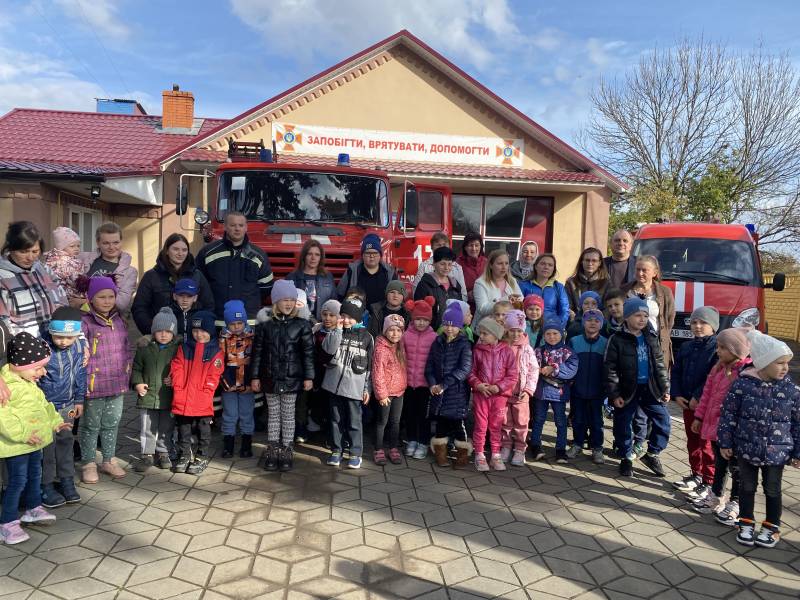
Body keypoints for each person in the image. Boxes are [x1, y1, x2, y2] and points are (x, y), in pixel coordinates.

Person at [718, 331, 799, 549]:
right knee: (747, 487)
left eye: (787, 363)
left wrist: (797, 452)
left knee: (772, 489)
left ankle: (771, 527)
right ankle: (746, 522)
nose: (785, 368)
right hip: (745, 448)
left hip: (777, 452)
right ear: (762, 363)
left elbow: (797, 422)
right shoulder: (742, 385)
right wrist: (725, 443)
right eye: (779, 363)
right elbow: (728, 415)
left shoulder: (790, 390)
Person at [0, 333, 70, 545]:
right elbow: (3, 417)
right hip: (16, 446)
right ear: (19, 365)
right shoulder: (7, 387)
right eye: (38, 367)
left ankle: (33, 508)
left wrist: (55, 422)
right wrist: (22, 434)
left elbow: (44, 406)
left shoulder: (28, 382)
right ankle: (7, 523)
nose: (43, 372)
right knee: (17, 482)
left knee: (34, 476)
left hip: (34, 442)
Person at [689, 328, 751, 524]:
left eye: (722, 347)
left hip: (733, 432)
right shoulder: (717, 369)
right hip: (715, 428)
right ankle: (716, 497)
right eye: (718, 347)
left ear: (736, 349)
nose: (718, 351)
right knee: (720, 465)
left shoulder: (745, 373)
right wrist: (699, 417)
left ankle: (736, 502)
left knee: (737, 469)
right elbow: (706, 395)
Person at [251, 280, 314, 472]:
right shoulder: (265, 326)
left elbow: (308, 354)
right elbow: (257, 353)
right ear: (275, 301)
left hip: (292, 379)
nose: (288, 304)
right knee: (273, 415)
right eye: (284, 299)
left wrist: (308, 377)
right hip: (270, 378)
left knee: (288, 416)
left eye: (291, 300)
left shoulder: (302, 325)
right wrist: (254, 377)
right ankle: (272, 449)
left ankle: (287, 449)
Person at [605, 298, 671, 478]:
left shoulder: (650, 337)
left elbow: (659, 364)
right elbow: (610, 368)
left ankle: (653, 453)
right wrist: (615, 394)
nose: (642, 319)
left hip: (650, 389)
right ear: (626, 317)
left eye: (645, 315)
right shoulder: (617, 339)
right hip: (627, 390)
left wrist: (665, 388)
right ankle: (626, 456)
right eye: (637, 315)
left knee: (663, 420)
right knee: (623, 424)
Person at [79, 276, 132, 484]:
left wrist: (127, 368)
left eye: (111, 296)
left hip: (117, 382)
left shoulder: (119, 320)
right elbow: (80, 353)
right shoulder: (85, 322)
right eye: (102, 297)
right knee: (91, 425)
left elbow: (126, 347)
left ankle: (108, 460)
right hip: (95, 383)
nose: (107, 301)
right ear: (91, 298)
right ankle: (89, 462)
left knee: (112, 423)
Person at [37, 307, 86, 508]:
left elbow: (81, 374)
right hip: (46, 407)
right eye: (58, 337)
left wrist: (79, 399)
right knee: (46, 448)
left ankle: (66, 480)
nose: (63, 342)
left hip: (68, 406)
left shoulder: (79, 348)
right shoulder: (43, 349)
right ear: (51, 332)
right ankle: (45, 485)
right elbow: (36, 379)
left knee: (66, 444)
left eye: (69, 338)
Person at [670, 307, 720, 500]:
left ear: (713, 326)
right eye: (694, 322)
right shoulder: (686, 347)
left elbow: (712, 376)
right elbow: (676, 371)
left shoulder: (717, 348)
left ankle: (709, 480)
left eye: (703, 323)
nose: (698, 326)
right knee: (692, 440)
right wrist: (677, 394)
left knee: (706, 443)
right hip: (687, 404)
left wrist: (698, 397)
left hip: (705, 406)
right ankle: (696, 474)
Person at [322, 297, 374, 469]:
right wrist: (336, 331)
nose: (346, 320)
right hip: (333, 386)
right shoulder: (336, 332)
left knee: (354, 421)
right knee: (335, 420)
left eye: (351, 317)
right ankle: (336, 450)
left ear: (359, 319)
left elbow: (369, 367)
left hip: (354, 388)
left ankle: (355, 452)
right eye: (343, 316)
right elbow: (328, 349)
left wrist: (367, 388)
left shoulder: (367, 338)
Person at [171, 310, 224, 475]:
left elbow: (215, 374)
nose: (199, 334)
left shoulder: (215, 352)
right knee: (183, 428)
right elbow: (177, 366)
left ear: (210, 331)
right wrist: (178, 386)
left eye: (203, 331)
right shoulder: (185, 348)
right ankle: (185, 453)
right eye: (195, 331)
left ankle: (202, 455)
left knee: (203, 428)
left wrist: (207, 389)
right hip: (184, 395)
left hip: (202, 396)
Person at [196, 211, 274, 324]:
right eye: (233, 225)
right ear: (225, 227)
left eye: (241, 225)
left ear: (246, 227)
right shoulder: (208, 253)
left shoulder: (259, 255)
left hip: (248, 321)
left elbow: (267, 286)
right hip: (217, 320)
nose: (237, 229)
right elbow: (199, 283)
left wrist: (249, 302)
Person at [132, 233, 214, 335]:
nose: (180, 253)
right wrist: (152, 330)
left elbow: (208, 305)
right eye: (175, 249)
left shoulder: (197, 275)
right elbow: (139, 307)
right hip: (162, 339)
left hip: (190, 340)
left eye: (184, 250)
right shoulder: (152, 276)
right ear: (166, 250)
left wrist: (200, 331)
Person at [131, 307, 179, 473]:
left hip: (168, 396)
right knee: (148, 427)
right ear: (153, 331)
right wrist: (137, 383)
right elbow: (136, 369)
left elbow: (182, 369)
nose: (164, 335)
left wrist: (175, 379)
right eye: (159, 331)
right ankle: (147, 454)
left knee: (166, 427)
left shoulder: (177, 349)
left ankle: (164, 452)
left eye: (168, 331)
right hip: (148, 396)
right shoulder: (144, 348)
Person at [426, 303, 473, 468]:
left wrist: (444, 384)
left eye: (453, 325)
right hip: (439, 391)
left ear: (460, 326)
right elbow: (430, 366)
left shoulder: (464, 344)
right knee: (441, 424)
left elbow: (464, 369)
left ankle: (462, 456)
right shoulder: (437, 342)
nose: (450, 328)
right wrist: (432, 384)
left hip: (456, 393)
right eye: (446, 324)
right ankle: (441, 454)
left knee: (458, 425)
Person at [0, 221, 67, 337]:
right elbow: (3, 323)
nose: (30, 257)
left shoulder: (45, 270)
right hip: (26, 350)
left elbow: (64, 305)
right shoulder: (3, 278)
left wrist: (78, 338)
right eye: (23, 252)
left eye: (35, 251)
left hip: (58, 343)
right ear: (11, 248)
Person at [469, 317, 519, 472]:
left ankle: (496, 454)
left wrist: (499, 387)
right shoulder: (477, 351)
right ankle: (479, 454)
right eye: (480, 333)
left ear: (495, 335)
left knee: (496, 426)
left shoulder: (507, 352)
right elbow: (471, 372)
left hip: (499, 397)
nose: (481, 337)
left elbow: (512, 375)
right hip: (481, 395)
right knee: (480, 425)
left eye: (485, 333)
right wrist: (477, 384)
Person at [529, 319, 578, 463]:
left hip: (559, 393)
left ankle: (560, 449)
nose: (552, 336)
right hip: (541, 392)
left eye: (555, 333)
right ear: (543, 335)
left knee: (561, 421)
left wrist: (554, 369)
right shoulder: (538, 351)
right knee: (538, 420)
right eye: (548, 333)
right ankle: (536, 445)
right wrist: (536, 370)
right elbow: (530, 366)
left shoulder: (568, 352)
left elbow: (571, 369)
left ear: (562, 334)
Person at [567, 309, 608, 464]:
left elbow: (609, 367)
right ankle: (577, 444)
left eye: (596, 321)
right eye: (589, 320)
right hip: (577, 389)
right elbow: (568, 363)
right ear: (583, 322)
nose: (592, 323)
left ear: (601, 324)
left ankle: (597, 448)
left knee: (597, 422)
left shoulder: (605, 343)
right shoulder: (574, 341)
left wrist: (606, 388)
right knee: (578, 420)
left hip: (598, 391)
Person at [500, 310, 539, 467]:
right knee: (505, 421)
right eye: (512, 330)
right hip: (504, 393)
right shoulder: (501, 346)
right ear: (506, 330)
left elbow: (534, 370)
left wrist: (529, 390)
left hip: (521, 394)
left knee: (522, 422)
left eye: (519, 331)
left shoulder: (527, 349)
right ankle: (506, 446)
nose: (515, 334)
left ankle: (520, 449)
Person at [622, 255, 676, 367]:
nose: (640, 273)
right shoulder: (624, 290)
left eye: (644, 270)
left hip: (656, 345)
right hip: (629, 344)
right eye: (638, 269)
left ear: (655, 272)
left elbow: (669, 319)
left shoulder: (665, 292)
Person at [402, 297, 437, 460]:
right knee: (410, 414)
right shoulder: (405, 335)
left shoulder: (434, 337)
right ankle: (411, 440)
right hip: (408, 383)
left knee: (424, 416)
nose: (421, 323)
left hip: (425, 385)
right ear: (412, 319)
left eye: (425, 320)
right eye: (418, 320)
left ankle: (423, 442)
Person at [371, 314, 407, 466]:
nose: (395, 334)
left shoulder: (400, 346)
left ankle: (393, 447)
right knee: (382, 422)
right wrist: (381, 395)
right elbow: (377, 373)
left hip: (399, 392)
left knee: (395, 422)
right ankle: (378, 449)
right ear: (385, 330)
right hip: (385, 394)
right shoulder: (381, 349)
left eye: (399, 330)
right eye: (392, 330)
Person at [78, 222, 138, 312]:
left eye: (116, 243)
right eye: (106, 243)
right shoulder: (82, 259)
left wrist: (81, 302)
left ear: (121, 242)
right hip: (77, 319)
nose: (111, 247)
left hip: (106, 322)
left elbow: (121, 304)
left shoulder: (130, 272)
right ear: (98, 243)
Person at [337, 233, 399, 307]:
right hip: (357, 317)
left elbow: (398, 298)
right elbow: (339, 295)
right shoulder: (352, 271)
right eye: (368, 253)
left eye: (375, 253)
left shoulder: (390, 272)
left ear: (380, 255)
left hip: (383, 316)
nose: (372, 256)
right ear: (362, 255)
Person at [310, 300, 341, 435]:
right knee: (316, 402)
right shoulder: (316, 329)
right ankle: (315, 425)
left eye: (332, 315)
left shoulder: (340, 332)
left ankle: (330, 432)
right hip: (318, 373)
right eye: (324, 314)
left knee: (331, 405)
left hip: (333, 374)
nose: (327, 318)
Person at [286, 239, 336, 322]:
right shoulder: (292, 277)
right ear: (304, 256)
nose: (313, 258)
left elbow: (334, 302)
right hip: (298, 324)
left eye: (317, 255)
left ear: (321, 258)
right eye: (309, 254)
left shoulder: (327, 277)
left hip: (322, 324)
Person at [414, 247, 464, 329]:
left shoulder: (455, 285)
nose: (446, 268)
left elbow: (459, 310)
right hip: (430, 332)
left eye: (449, 264)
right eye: (442, 264)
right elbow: (418, 312)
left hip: (451, 332)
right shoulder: (424, 284)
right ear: (434, 263)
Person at [412, 232, 467, 302]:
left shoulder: (457, 267)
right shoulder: (424, 266)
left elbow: (463, 294)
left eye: (444, 244)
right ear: (431, 247)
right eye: (438, 245)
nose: (442, 247)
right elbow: (416, 291)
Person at [473, 250, 523, 324]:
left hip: (507, 329)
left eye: (506, 263)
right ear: (490, 265)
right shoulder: (480, 283)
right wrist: (506, 299)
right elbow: (482, 309)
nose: (504, 267)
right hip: (485, 329)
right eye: (500, 263)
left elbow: (521, 298)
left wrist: (517, 300)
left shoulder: (512, 280)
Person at [526, 254, 570, 330]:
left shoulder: (558, 287)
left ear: (553, 269)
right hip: (528, 329)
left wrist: (557, 327)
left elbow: (564, 311)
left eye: (550, 265)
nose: (546, 267)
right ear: (536, 266)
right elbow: (518, 309)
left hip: (552, 329)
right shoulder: (524, 285)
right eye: (543, 264)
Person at [43, 227, 86, 304]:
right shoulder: (66, 262)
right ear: (61, 247)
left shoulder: (51, 258)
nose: (76, 249)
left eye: (78, 246)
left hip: (56, 295)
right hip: (68, 296)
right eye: (72, 246)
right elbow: (77, 281)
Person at [565, 247, 610, 318]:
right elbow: (568, 307)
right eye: (587, 260)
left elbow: (608, 308)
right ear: (581, 262)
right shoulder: (571, 283)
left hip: (599, 323)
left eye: (594, 261)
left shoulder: (606, 283)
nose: (590, 263)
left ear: (599, 263)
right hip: (577, 322)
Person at [457, 231, 488, 308]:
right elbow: (453, 286)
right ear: (465, 247)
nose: (474, 249)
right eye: (471, 245)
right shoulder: (458, 264)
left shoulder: (487, 262)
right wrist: (467, 294)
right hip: (466, 306)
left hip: (485, 304)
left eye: (477, 245)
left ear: (481, 247)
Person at [169, 278, 201, 343]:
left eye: (189, 296)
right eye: (181, 295)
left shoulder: (200, 315)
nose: (185, 299)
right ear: (174, 296)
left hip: (193, 350)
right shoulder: (169, 314)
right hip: (173, 350)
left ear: (195, 298)